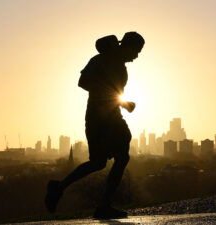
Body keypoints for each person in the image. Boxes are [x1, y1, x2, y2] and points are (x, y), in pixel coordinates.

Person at [45, 31, 145, 219]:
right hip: (99, 119)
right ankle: (97, 203)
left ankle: (62, 188)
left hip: (111, 117)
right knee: (107, 160)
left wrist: (123, 103)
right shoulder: (102, 59)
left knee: (109, 160)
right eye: (137, 50)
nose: (137, 56)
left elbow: (111, 93)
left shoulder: (119, 66)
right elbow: (83, 82)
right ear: (128, 46)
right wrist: (123, 102)